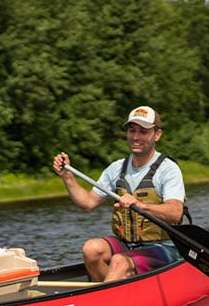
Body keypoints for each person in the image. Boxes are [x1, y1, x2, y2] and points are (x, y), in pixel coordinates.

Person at [52, 106, 186, 282]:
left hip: (165, 247)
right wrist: (68, 177)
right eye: (132, 131)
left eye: (143, 132)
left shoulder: (168, 169)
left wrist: (141, 205)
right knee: (92, 249)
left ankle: (102, 302)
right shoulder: (116, 169)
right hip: (127, 244)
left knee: (119, 261)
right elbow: (88, 202)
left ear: (157, 134)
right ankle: (110, 295)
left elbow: (175, 213)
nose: (136, 137)